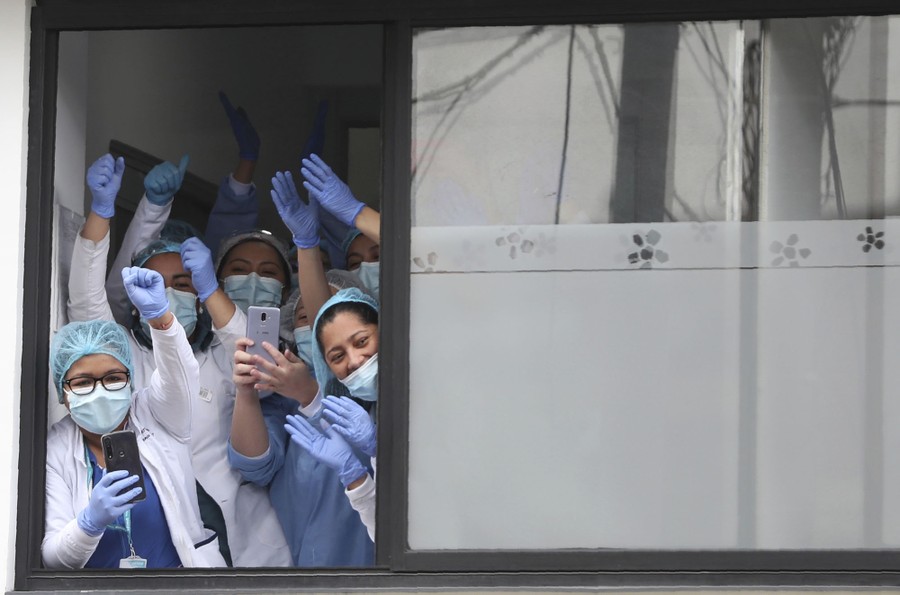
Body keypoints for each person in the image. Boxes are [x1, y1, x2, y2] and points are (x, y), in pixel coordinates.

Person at [68, 153, 291, 567]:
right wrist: (101, 213)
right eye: (158, 283)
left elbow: (261, 354)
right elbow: (85, 299)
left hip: (246, 538)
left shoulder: (225, 358)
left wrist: (210, 289)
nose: (171, 293)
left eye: (183, 284)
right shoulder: (123, 360)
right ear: (136, 301)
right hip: (162, 531)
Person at [42, 270, 226, 569]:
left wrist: (162, 321)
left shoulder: (158, 414)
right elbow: (54, 558)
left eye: (113, 378)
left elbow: (180, 376)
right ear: (63, 394)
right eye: (82, 382)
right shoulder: (56, 448)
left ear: (130, 380)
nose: (99, 391)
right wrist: (89, 524)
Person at [281, 288, 382, 541]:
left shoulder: (431, 392)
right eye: (338, 356)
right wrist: (354, 476)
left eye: (361, 341)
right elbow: (385, 533)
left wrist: (381, 449)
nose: (356, 360)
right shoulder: (371, 415)